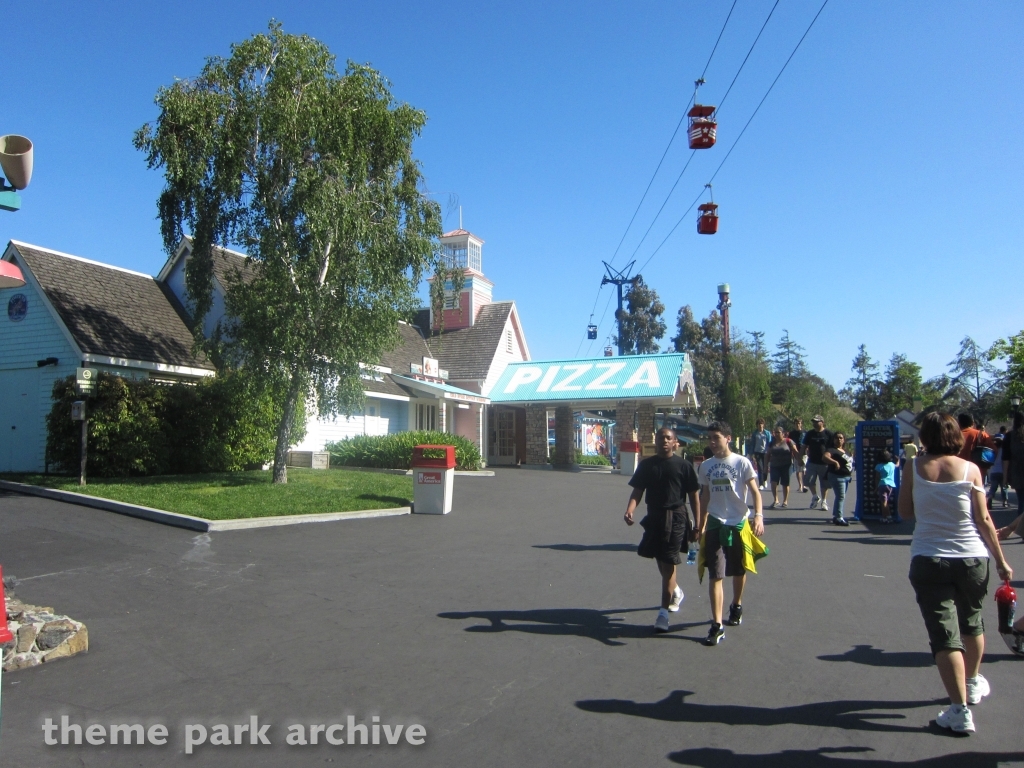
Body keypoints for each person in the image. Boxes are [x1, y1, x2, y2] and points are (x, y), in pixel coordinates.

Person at [898, 412, 1013, 734]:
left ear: (925, 437)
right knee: (973, 622)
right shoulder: (972, 469)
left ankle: (959, 709)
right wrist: (1001, 561)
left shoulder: (913, 467)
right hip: (973, 558)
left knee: (944, 636)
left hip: (930, 557)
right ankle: (973, 682)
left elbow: (906, 512)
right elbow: (984, 520)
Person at [624, 427, 701, 633]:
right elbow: (638, 491)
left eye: (669, 438)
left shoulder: (683, 466)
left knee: (668, 562)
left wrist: (698, 523)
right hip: (654, 516)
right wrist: (630, 510)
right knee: (660, 558)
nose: (664, 441)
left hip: (676, 517)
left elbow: (694, 496)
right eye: (661, 437)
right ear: (655, 441)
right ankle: (675, 590)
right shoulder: (647, 465)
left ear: (676, 443)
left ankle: (663, 614)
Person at [696, 421, 764, 646]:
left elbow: (755, 492)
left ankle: (736, 604)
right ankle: (717, 625)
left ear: (728, 438)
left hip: (738, 523)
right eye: (710, 438)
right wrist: (701, 523)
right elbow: (704, 496)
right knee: (716, 574)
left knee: (738, 570)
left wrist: (758, 516)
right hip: (715, 523)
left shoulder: (742, 463)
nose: (712, 442)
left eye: (716, 437)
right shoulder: (705, 466)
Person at [802, 416, 833, 512]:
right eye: (813, 422)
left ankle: (824, 501)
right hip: (812, 461)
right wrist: (800, 457)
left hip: (825, 463)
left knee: (824, 483)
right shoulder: (810, 433)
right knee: (809, 480)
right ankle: (815, 496)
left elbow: (833, 447)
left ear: (822, 422)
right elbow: (804, 446)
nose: (814, 423)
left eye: (817, 422)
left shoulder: (828, 434)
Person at [822, 432, 853, 526]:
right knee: (841, 497)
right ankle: (839, 518)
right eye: (836, 438)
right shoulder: (831, 450)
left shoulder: (845, 451)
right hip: (837, 476)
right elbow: (825, 457)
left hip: (846, 477)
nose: (838, 439)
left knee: (840, 497)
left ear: (844, 440)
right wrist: (835, 462)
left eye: (840, 438)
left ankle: (836, 516)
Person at [767, 426, 800, 509]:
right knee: (773, 482)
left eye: (778, 432)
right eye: (775, 432)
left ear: (783, 433)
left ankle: (785, 501)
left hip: (786, 465)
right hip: (774, 465)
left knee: (785, 483)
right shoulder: (772, 443)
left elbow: (795, 452)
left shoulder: (789, 441)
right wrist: (765, 466)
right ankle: (776, 500)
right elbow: (767, 454)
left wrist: (799, 460)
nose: (776, 434)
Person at [958, 413, 994, 479]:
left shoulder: (952, 436)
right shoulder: (981, 434)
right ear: (972, 423)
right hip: (978, 471)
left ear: (959, 423)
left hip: (957, 471)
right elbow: (993, 451)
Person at [875, 450, 899, 523]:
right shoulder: (892, 464)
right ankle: (884, 517)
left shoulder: (878, 466)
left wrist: (876, 487)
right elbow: (897, 465)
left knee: (883, 502)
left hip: (882, 484)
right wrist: (898, 460)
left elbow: (877, 478)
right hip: (891, 485)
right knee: (886, 500)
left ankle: (888, 517)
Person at [987, 434, 1008, 509]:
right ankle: (1005, 502)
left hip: (993, 471)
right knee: (1004, 488)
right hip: (1002, 471)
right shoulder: (1004, 451)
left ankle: (990, 498)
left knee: (993, 488)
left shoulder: (992, 450)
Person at [750, 419, 772, 489]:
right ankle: (761, 484)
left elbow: (770, 443)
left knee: (765, 467)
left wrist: (770, 451)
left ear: (763, 425)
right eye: (758, 424)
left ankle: (765, 479)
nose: (760, 425)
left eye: (761, 424)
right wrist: (751, 453)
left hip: (765, 452)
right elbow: (752, 443)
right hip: (757, 452)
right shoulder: (755, 433)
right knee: (760, 468)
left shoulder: (767, 433)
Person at [788, 418, 808, 492]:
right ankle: (800, 485)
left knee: (804, 469)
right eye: (796, 423)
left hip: (804, 453)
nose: (798, 424)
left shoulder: (805, 432)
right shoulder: (792, 433)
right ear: (794, 424)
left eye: (799, 423)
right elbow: (789, 443)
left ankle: (804, 485)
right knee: (798, 470)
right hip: (795, 453)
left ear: (801, 424)